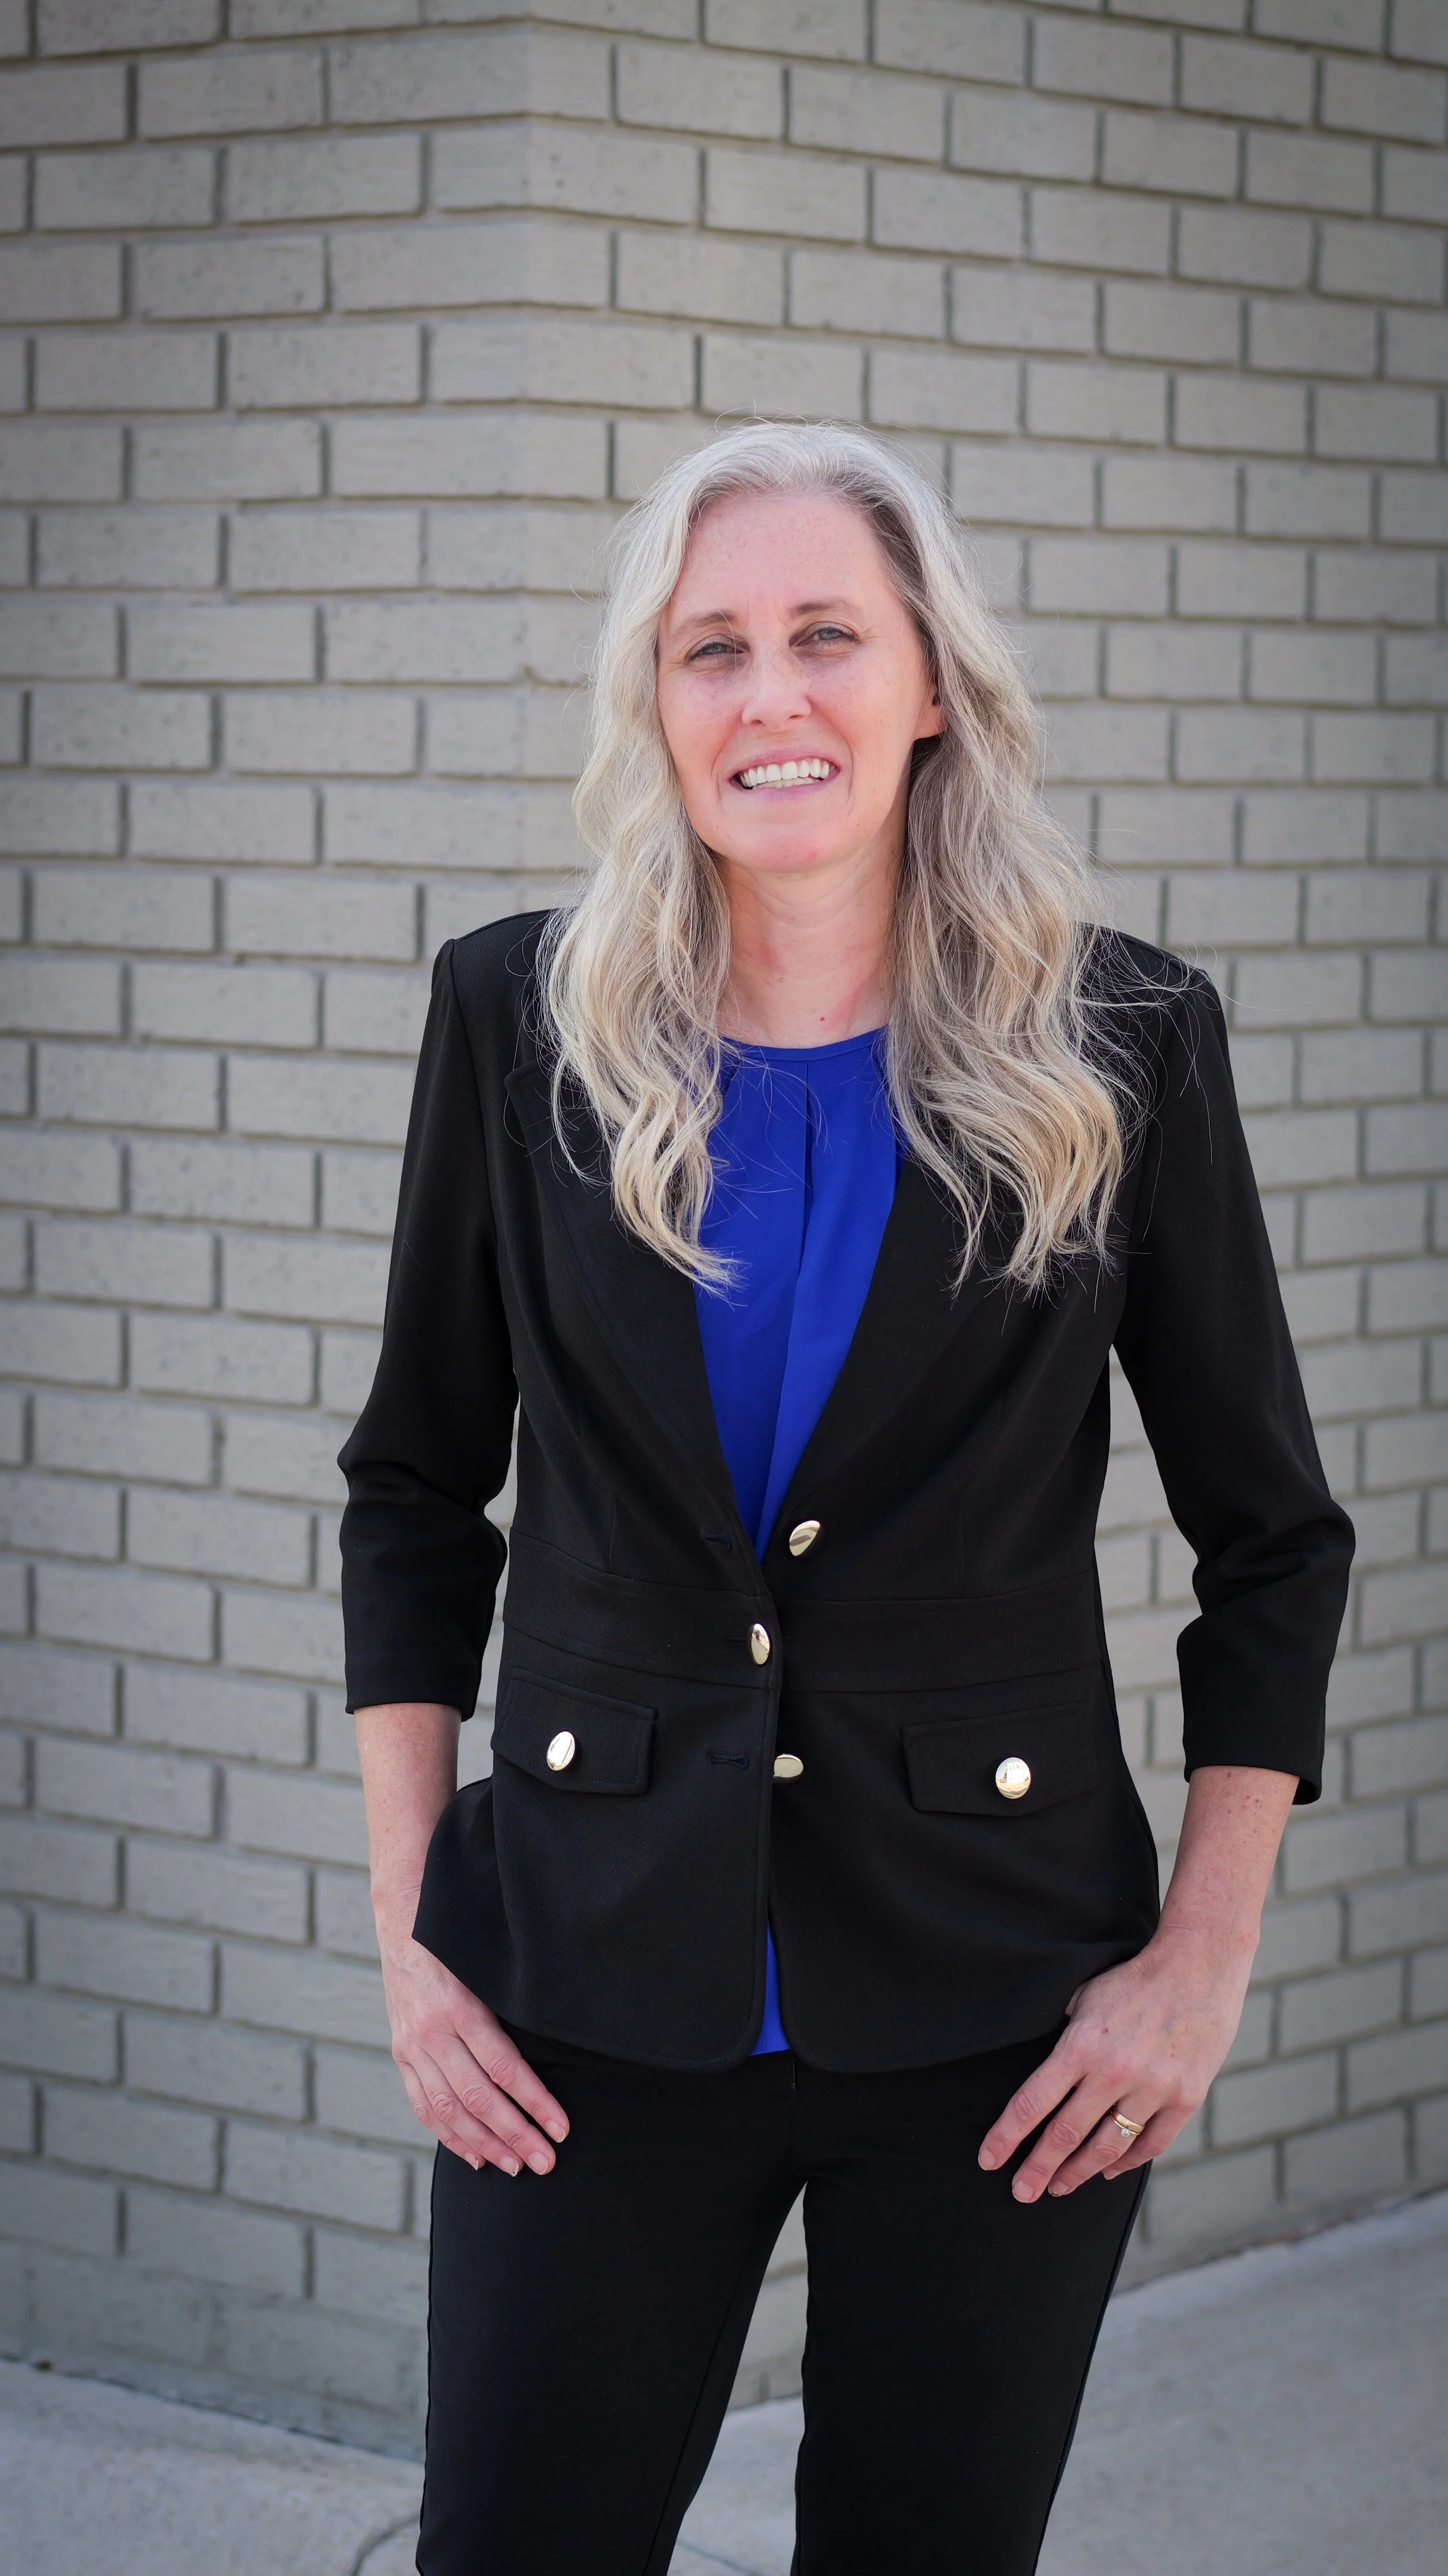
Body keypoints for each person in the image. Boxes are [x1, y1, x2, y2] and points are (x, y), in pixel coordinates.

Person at [338, 421, 1354, 2576]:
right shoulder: (517, 1024)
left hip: (999, 2006)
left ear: (929, 689)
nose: (768, 694)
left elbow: (1273, 1539)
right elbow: (415, 1493)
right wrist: (424, 1940)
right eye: (710, 648)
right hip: (587, 1982)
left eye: (824, 635)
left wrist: (1197, 1958)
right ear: (655, 704)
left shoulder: (1119, 1043)